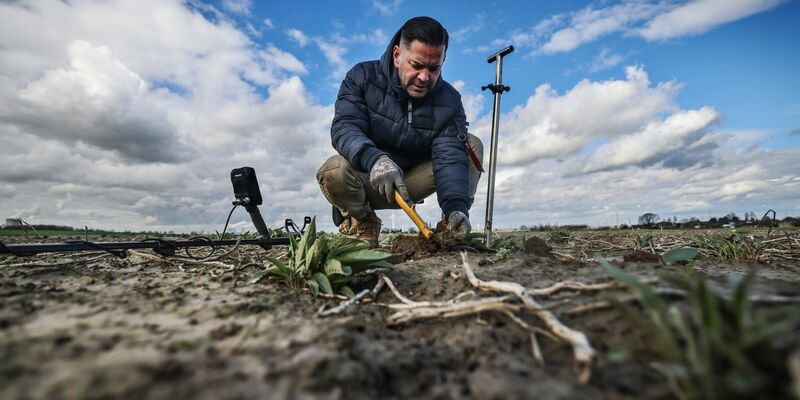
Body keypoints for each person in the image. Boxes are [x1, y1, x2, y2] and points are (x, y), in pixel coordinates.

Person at [317, 16, 483, 248]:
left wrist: (456, 206)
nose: (424, 77)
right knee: (333, 170)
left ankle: (451, 225)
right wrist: (376, 160)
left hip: (411, 183)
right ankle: (364, 223)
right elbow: (345, 127)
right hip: (370, 181)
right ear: (397, 55)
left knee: (470, 145)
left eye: (434, 68)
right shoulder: (362, 77)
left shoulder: (450, 100)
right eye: (416, 65)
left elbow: (449, 156)